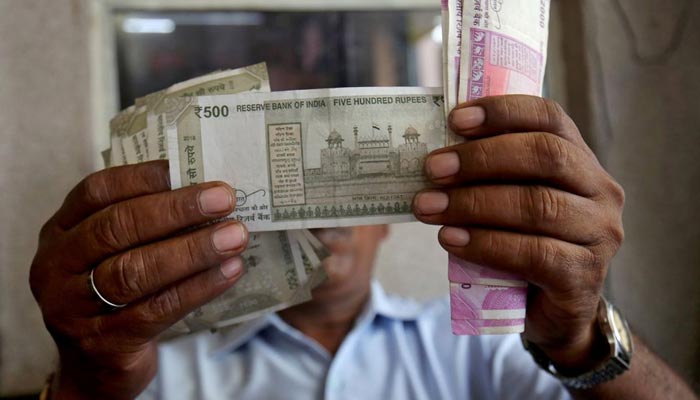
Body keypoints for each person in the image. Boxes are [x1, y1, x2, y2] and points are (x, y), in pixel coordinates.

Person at [30, 96, 697, 399]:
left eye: (354, 197)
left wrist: (579, 336)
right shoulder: (158, 377)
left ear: (388, 219)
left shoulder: (483, 349)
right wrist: (87, 388)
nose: (327, 223)